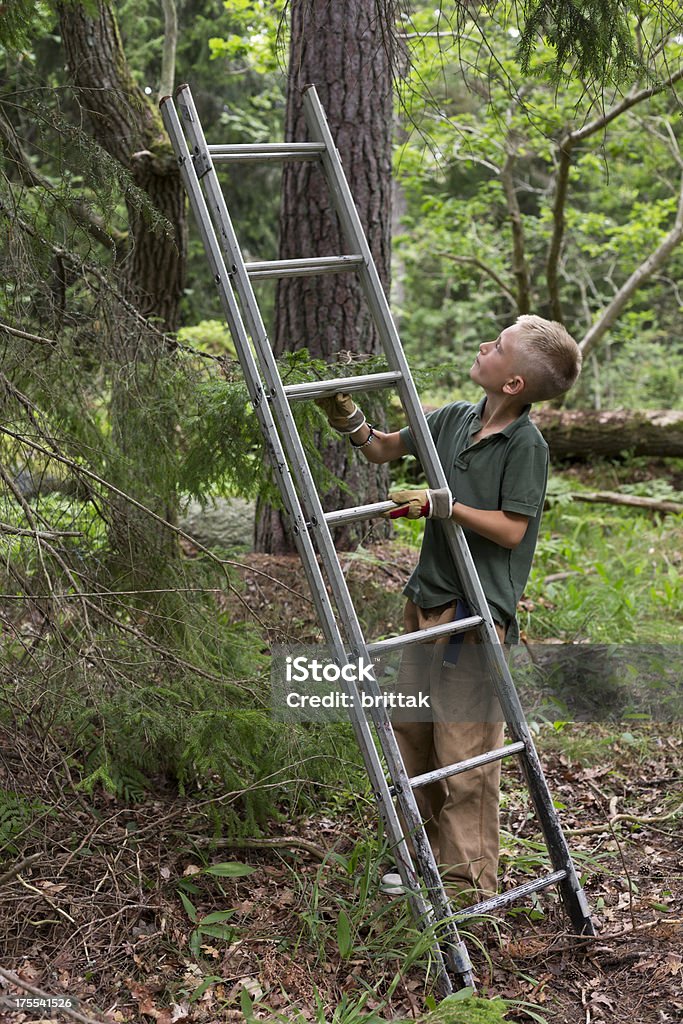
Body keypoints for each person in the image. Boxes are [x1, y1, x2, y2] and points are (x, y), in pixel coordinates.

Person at [317, 314, 582, 900]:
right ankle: (423, 859)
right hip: (428, 597)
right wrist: (348, 420)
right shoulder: (456, 419)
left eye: (499, 345)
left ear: (513, 384)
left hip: (474, 613)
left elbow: (512, 530)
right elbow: (383, 450)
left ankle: (467, 884)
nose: (486, 343)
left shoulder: (525, 446)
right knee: (413, 730)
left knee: (463, 749)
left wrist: (444, 505)